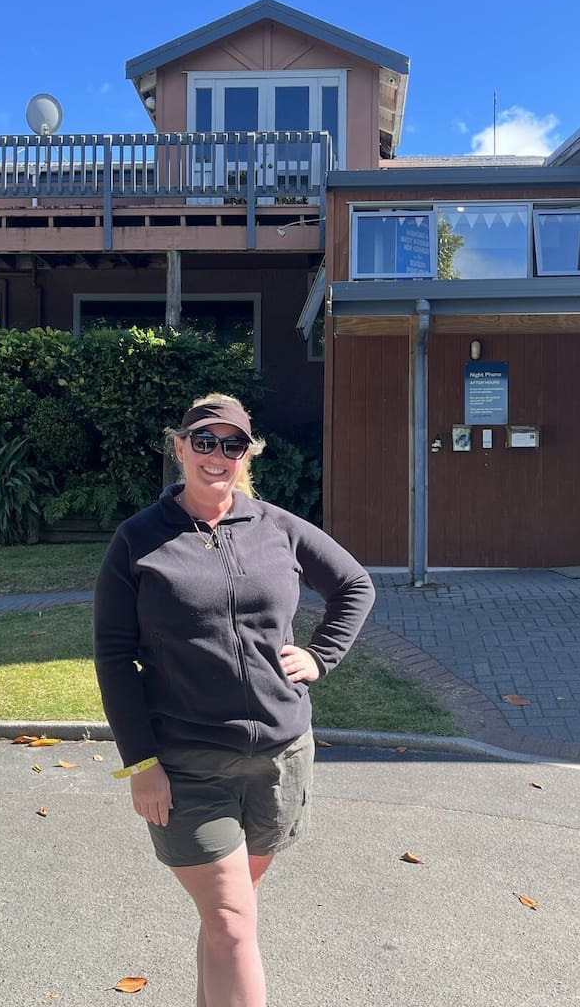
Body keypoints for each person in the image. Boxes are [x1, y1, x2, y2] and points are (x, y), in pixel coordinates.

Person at [93, 393, 375, 1007]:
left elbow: (354, 584)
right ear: (179, 448)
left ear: (248, 455)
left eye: (232, 444)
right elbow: (114, 657)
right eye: (203, 441)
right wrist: (141, 762)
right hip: (188, 763)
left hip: (280, 758)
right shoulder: (138, 540)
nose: (216, 456)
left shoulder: (277, 527)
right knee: (229, 920)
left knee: (230, 922)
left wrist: (321, 656)